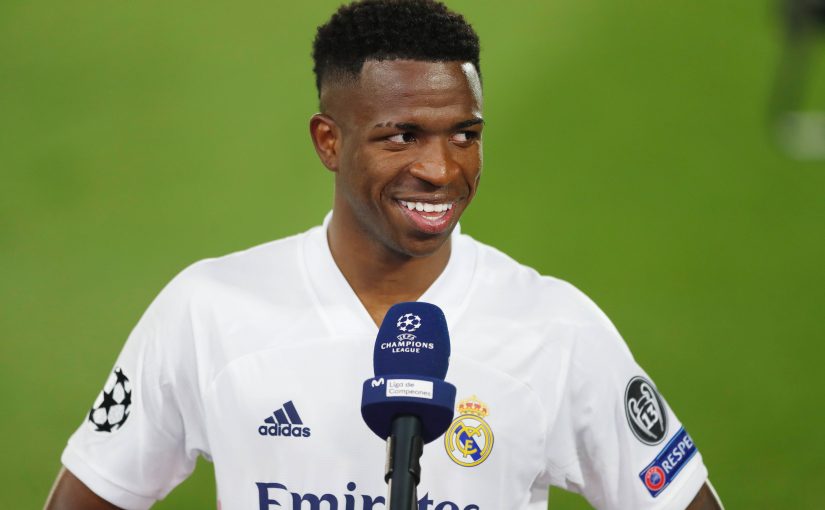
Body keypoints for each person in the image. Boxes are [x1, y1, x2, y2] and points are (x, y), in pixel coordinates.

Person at [46, 1, 723, 509]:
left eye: (464, 134)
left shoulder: (556, 328)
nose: (441, 169)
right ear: (328, 141)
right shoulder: (208, 311)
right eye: (401, 136)